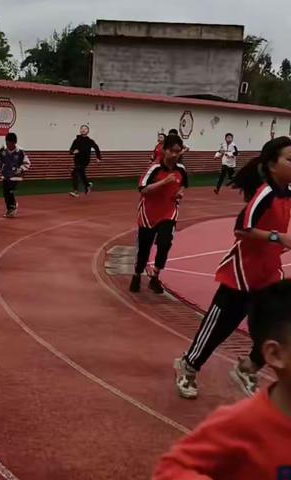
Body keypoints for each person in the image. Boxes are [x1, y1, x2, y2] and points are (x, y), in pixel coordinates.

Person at [174, 136, 291, 400]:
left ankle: (247, 368)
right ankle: (188, 367)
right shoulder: (265, 194)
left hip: (269, 271)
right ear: (272, 165)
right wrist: (277, 237)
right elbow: (241, 229)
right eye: (290, 159)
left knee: (277, 326)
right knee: (218, 327)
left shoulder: (287, 192)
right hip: (241, 273)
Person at [154, 279, 291, 480]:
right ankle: (189, 366)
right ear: (276, 355)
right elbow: (171, 469)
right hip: (238, 280)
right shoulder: (244, 424)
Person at [129, 135, 188, 294]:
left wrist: (180, 193)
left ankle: (155, 277)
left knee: (165, 243)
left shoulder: (181, 169)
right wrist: (164, 182)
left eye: (178, 151)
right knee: (144, 248)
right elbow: (143, 190)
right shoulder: (154, 168)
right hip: (149, 213)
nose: (175, 155)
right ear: (164, 150)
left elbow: (183, 185)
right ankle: (137, 274)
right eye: (172, 151)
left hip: (168, 212)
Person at [0, 132, 31, 218]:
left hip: (16, 176)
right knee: (5, 193)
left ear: (14, 143)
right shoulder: (3, 150)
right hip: (5, 174)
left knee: (9, 190)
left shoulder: (21, 152)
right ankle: (10, 208)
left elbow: (27, 163)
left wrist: (21, 169)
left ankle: (12, 207)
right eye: (7, 143)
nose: (8, 145)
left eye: (10, 143)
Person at [69, 125, 102, 197]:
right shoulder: (76, 140)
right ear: (80, 130)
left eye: (85, 129)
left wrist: (98, 157)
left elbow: (96, 148)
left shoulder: (90, 141)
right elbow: (70, 150)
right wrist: (73, 152)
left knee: (74, 172)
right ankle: (87, 185)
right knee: (81, 174)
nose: (83, 130)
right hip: (77, 160)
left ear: (88, 131)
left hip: (85, 160)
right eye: (82, 129)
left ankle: (76, 191)